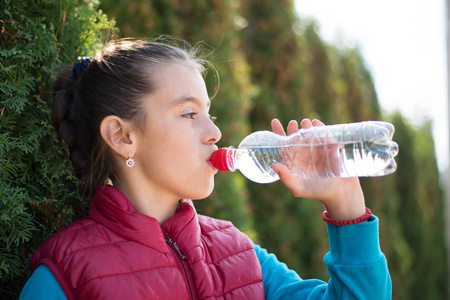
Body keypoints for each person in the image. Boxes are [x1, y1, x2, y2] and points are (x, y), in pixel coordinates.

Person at [20, 38, 391, 300]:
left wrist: (345, 201)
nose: (214, 132)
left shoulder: (242, 255)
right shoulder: (66, 276)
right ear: (122, 136)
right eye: (188, 114)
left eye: (208, 113)